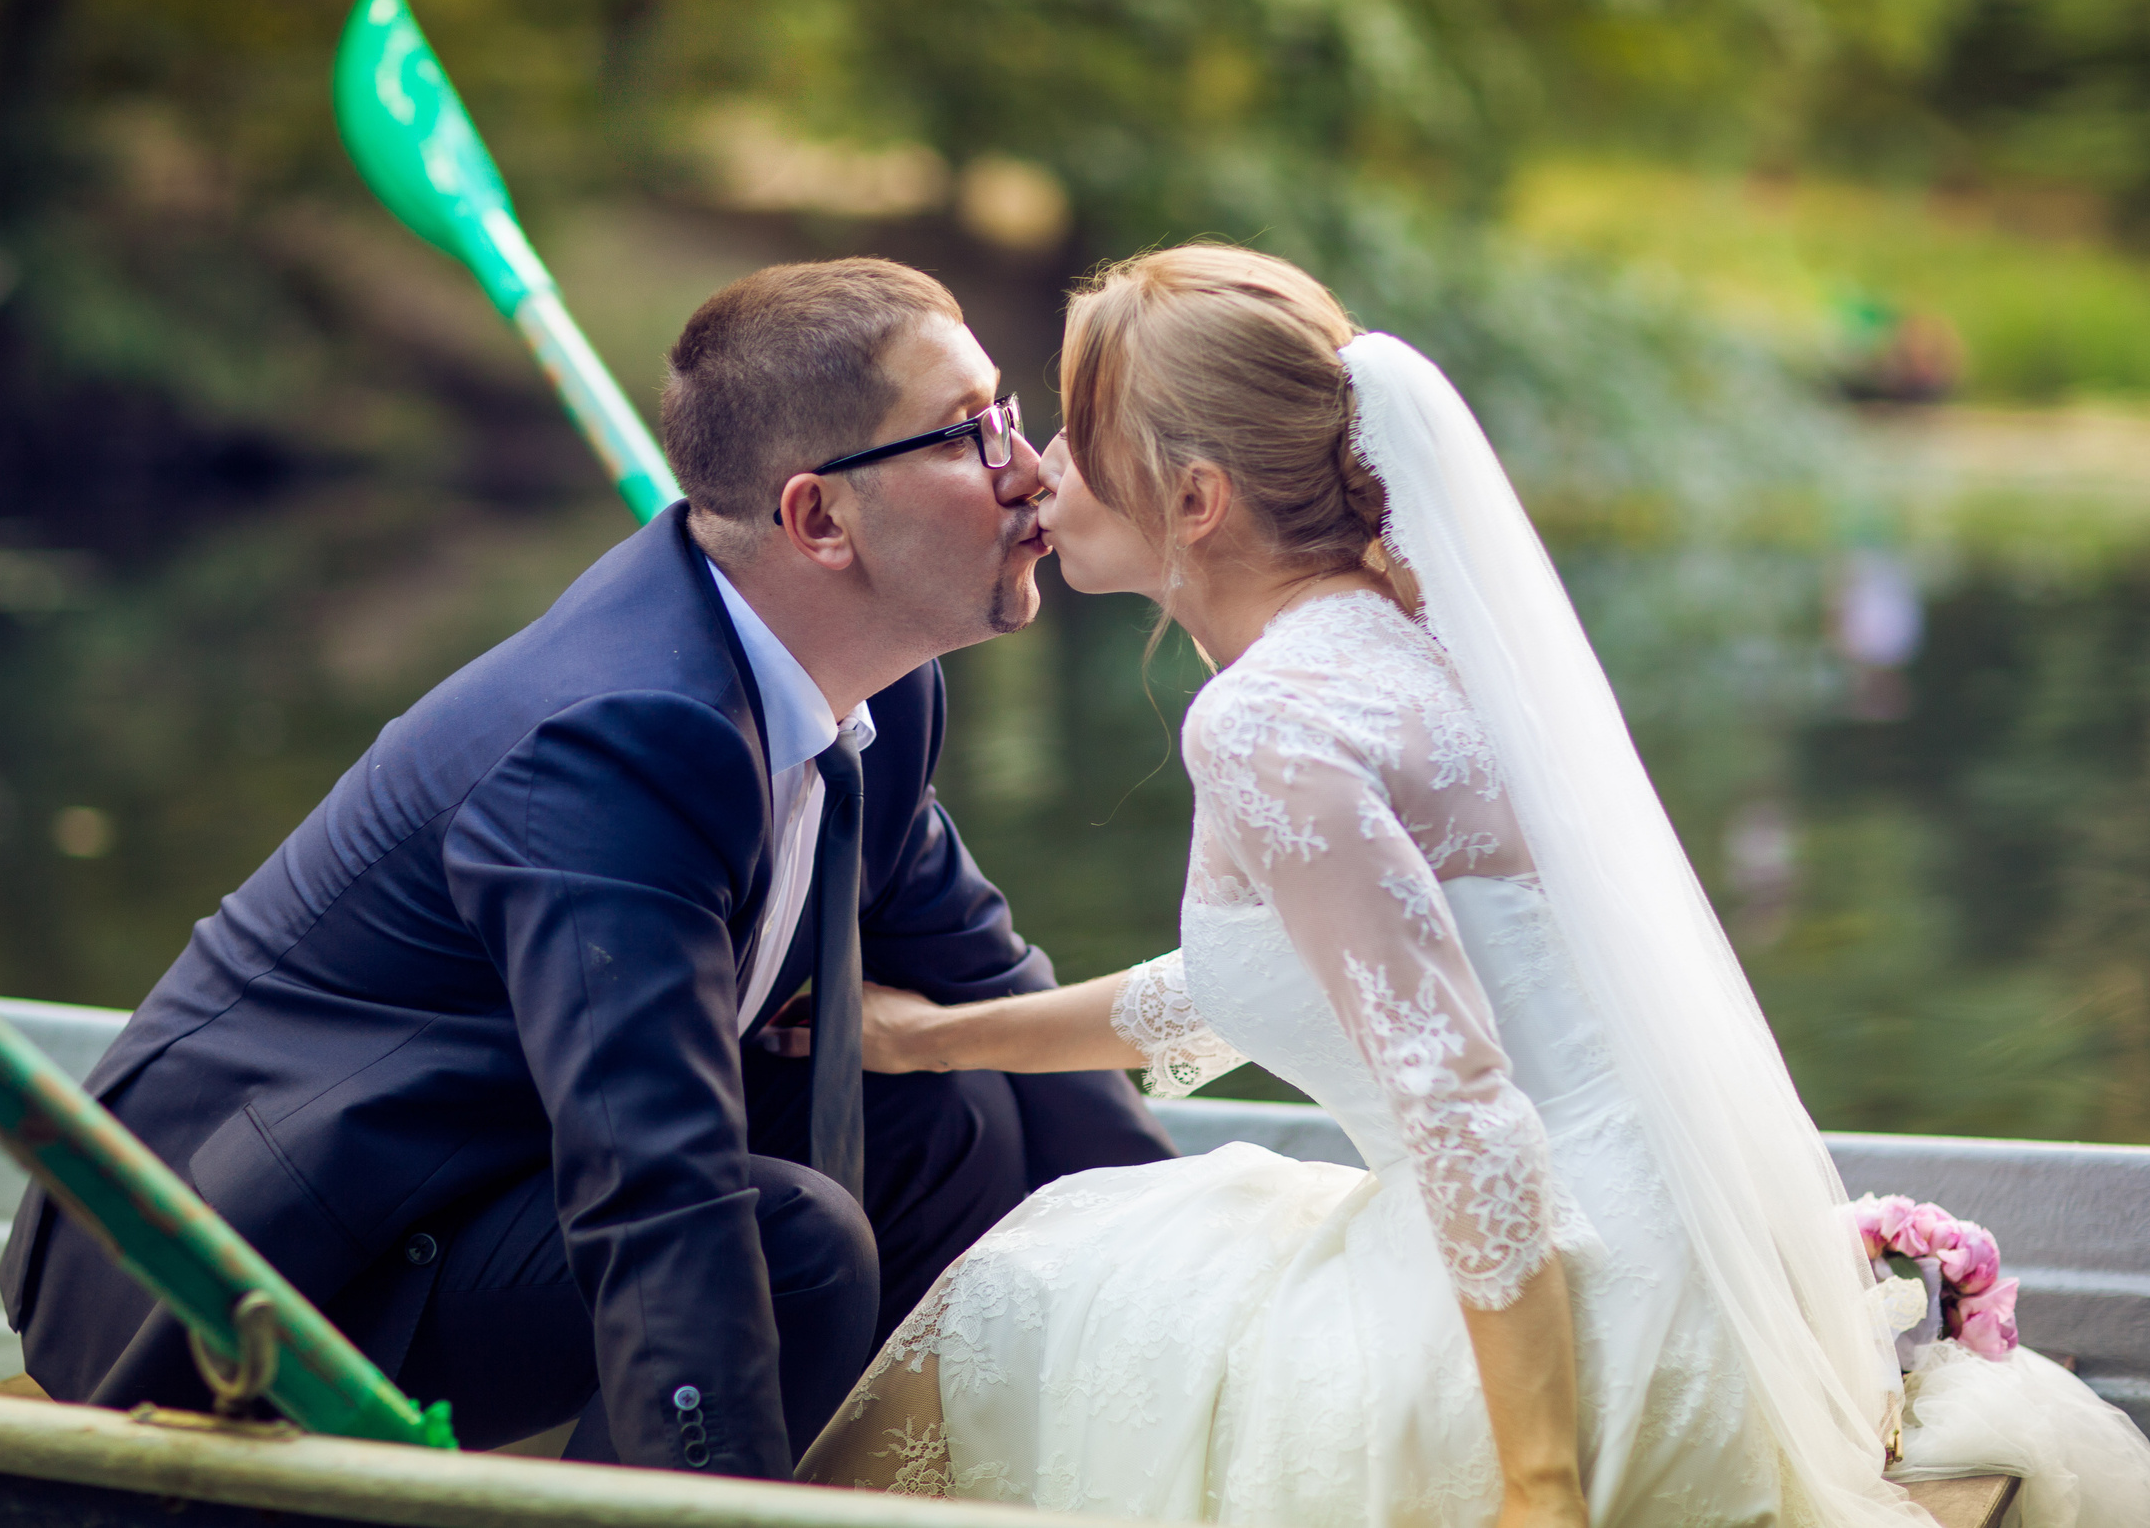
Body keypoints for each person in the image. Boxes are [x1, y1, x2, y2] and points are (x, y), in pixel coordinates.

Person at [799, 246, 2150, 1526]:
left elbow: (1464, 1111)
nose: (1030, 470)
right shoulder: (1389, 635)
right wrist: (934, 1035)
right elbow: (1283, 984)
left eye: (1075, 436)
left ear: (1197, 501)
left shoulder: (1269, 718)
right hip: (1684, 1254)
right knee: (1078, 1262)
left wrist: (1541, 1486)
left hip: (1568, 1313)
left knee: (1037, 1289)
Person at [0, 258, 1173, 1477]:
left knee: (956, 1120)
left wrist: (1179, 1266)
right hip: (243, 1260)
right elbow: (657, 1189)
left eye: (1009, 417)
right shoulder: (620, 745)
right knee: (789, 1247)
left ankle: (888, 1485)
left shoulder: (879, 692)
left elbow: (990, 985)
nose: (1027, 470)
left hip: (502, 1161)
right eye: (967, 434)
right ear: (819, 520)